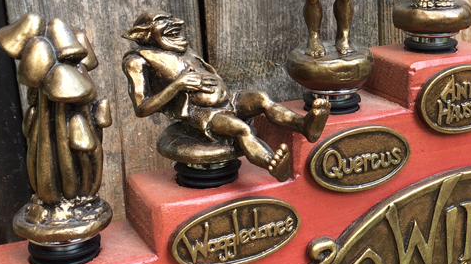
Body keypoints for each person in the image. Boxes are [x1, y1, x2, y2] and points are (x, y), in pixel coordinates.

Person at [122, 10, 330, 180]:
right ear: (143, 34)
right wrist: (178, 85)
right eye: (162, 20)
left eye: (171, 18)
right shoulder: (137, 60)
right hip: (201, 113)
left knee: (261, 98)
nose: (177, 22)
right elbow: (141, 108)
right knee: (240, 128)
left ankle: (304, 126)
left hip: (229, 100)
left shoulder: (179, 47)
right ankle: (272, 164)